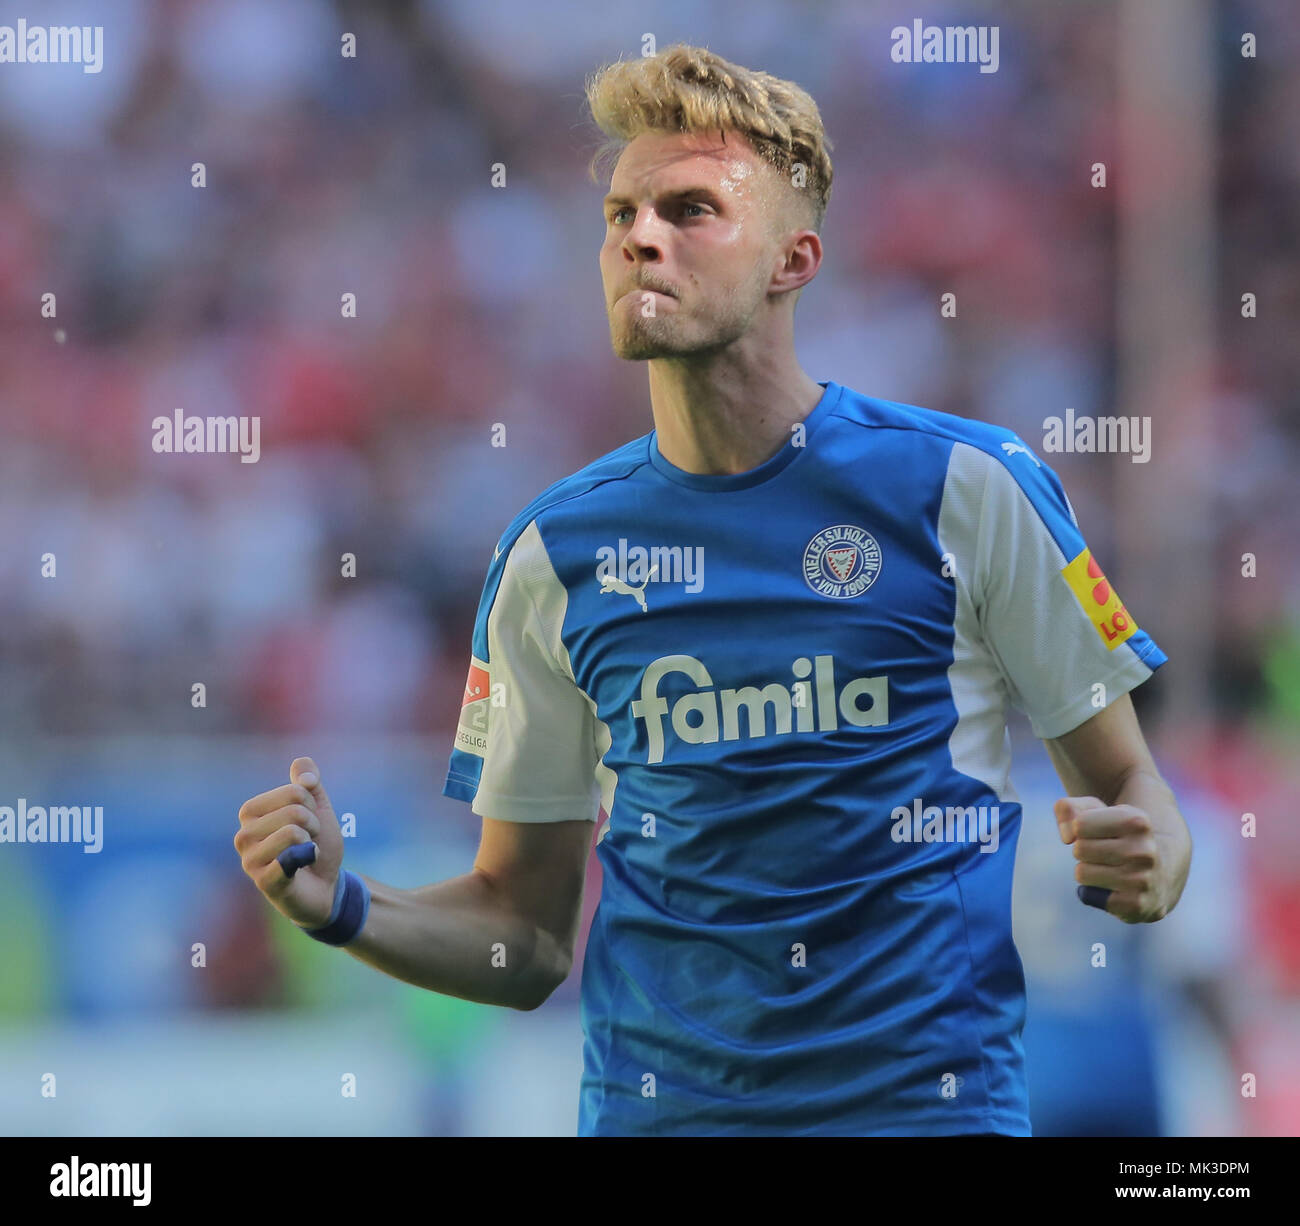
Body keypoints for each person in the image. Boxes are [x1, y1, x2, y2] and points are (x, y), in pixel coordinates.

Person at [234, 43, 1192, 1137]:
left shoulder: (967, 487)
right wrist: (343, 908)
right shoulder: (555, 553)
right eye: (619, 213)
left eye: (690, 209)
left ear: (794, 258)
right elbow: (524, 932)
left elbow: (1134, 791)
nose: (640, 235)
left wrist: (1152, 859)